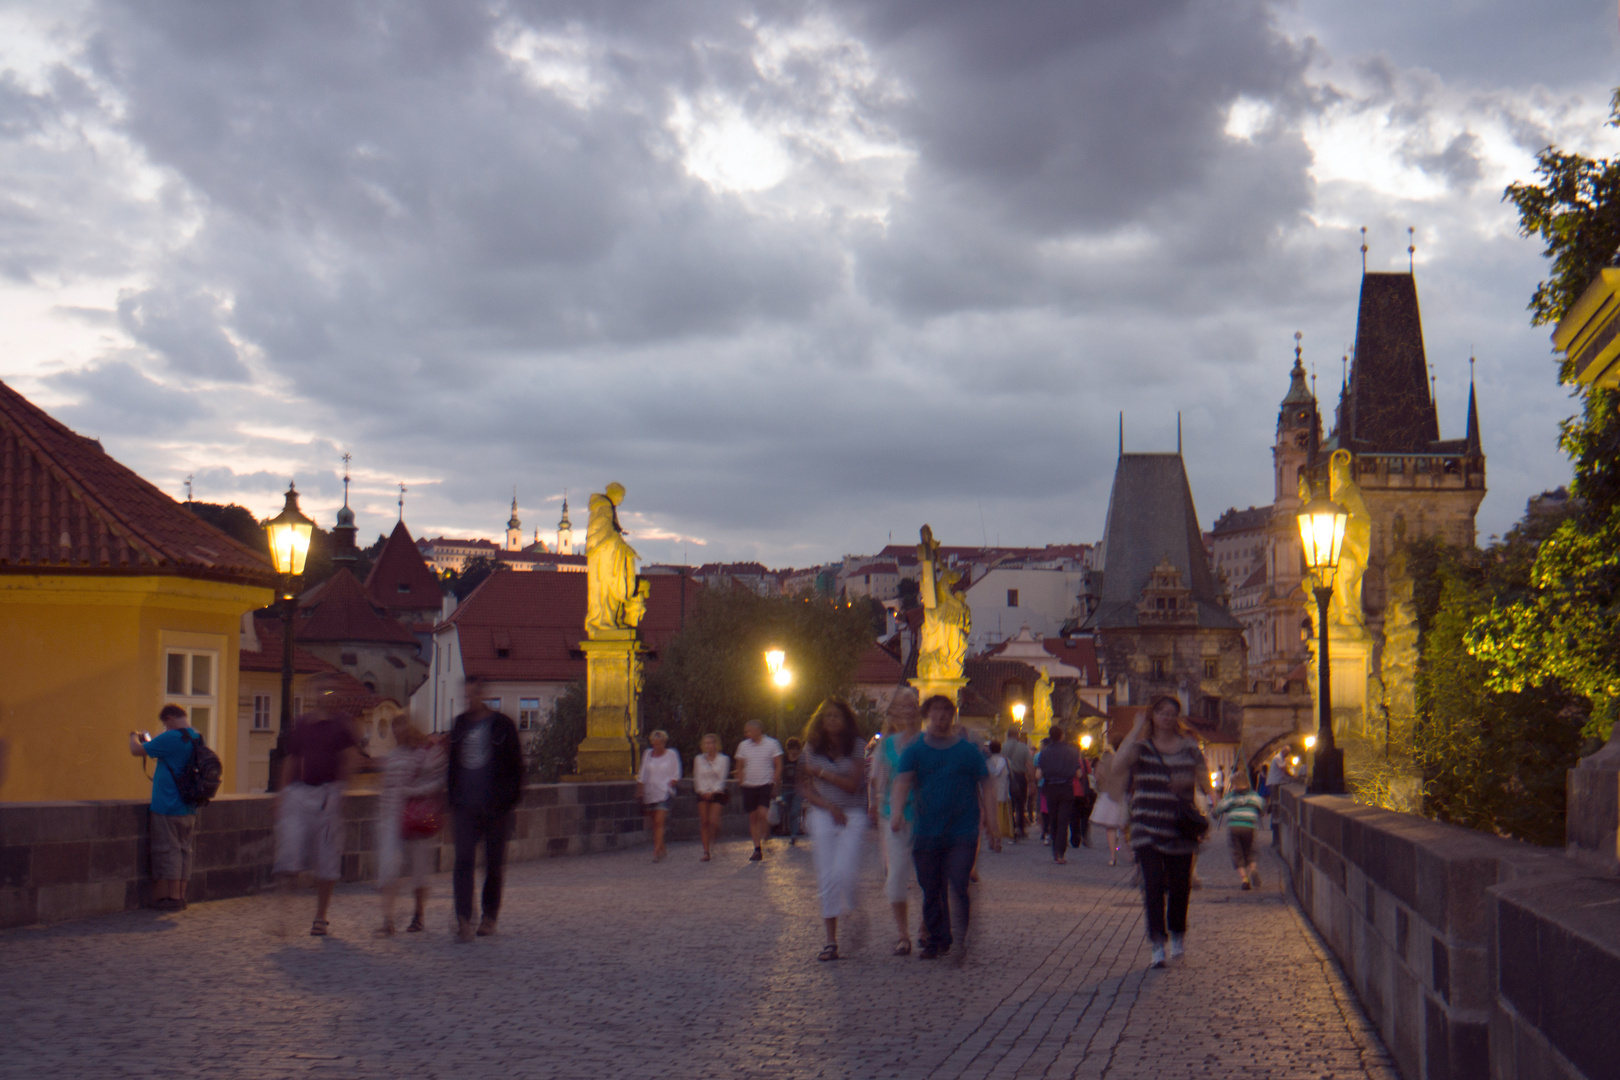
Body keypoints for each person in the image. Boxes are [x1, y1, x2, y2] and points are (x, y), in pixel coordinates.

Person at [890, 695, 998, 962]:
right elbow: (902, 782)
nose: (940, 717)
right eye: (935, 711)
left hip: (962, 829)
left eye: (946, 711)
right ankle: (938, 939)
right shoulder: (916, 750)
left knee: (959, 881)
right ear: (927, 715)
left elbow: (987, 784)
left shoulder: (967, 751)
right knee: (931, 887)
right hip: (927, 829)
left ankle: (961, 937)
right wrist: (896, 813)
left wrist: (993, 826)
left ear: (953, 715)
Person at [1115, 695, 1211, 968]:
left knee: (1181, 886)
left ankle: (1177, 933)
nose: (1167, 718)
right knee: (1153, 885)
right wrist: (1134, 729)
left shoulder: (1189, 747)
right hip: (1146, 826)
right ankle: (1157, 942)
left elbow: (1205, 780)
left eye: (1172, 713)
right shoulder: (1142, 747)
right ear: (1152, 716)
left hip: (1179, 828)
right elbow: (1118, 765)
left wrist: (1188, 779)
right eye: (1162, 713)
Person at [273, 674, 363, 936]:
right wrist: (281, 794)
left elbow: (349, 759)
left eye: (330, 690)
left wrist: (342, 793)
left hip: (328, 794)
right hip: (300, 792)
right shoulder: (302, 723)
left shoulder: (343, 724)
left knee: (327, 858)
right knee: (288, 854)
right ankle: (283, 914)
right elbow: (291, 759)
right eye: (321, 690)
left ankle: (320, 917)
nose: (326, 695)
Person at [447, 679, 524, 942]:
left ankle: (489, 917)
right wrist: (451, 799)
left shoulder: (502, 725)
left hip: (495, 807)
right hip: (464, 806)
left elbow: (517, 766)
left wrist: (508, 800)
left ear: (483, 694)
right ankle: (463, 919)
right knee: (463, 861)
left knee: (493, 864)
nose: (469, 699)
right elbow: (452, 765)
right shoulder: (459, 725)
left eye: (473, 694)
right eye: (466, 695)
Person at [799, 699, 868, 961]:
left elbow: (853, 785)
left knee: (845, 872)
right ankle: (830, 940)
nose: (831, 720)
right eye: (827, 716)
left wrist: (822, 773)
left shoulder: (857, 746)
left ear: (846, 720)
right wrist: (829, 806)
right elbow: (805, 787)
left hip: (852, 813)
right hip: (823, 814)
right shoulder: (811, 748)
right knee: (827, 876)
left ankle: (852, 908)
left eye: (837, 716)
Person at [376, 713, 446, 936]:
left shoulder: (424, 752)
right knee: (388, 869)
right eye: (395, 728)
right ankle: (388, 920)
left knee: (419, 869)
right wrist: (383, 814)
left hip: (416, 816)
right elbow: (387, 788)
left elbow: (439, 780)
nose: (398, 732)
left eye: (401, 726)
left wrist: (413, 792)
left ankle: (418, 915)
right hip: (392, 818)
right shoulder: (393, 755)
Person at [127, 704, 202, 911]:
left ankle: (172, 897)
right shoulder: (196, 736)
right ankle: (182, 895)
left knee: (170, 851)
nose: (165, 727)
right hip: (189, 805)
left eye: (165, 723)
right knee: (185, 850)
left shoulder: (170, 737)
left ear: (169, 718)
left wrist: (134, 736)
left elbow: (136, 750)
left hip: (168, 805)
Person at [869, 688, 921, 956]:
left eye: (912, 705)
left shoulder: (927, 740)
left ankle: (926, 926)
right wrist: (876, 808)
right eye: (902, 706)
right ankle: (903, 933)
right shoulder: (887, 745)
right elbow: (878, 780)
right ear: (895, 711)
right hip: (894, 817)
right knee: (897, 875)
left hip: (925, 816)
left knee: (928, 877)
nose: (907, 710)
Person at [733, 720, 783, 862]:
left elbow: (778, 764)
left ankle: (766, 833)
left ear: (758, 730)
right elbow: (740, 764)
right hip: (749, 785)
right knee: (753, 817)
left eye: (749, 730)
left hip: (765, 783)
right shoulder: (743, 746)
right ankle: (757, 849)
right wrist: (740, 779)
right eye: (746, 731)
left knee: (763, 812)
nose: (747, 734)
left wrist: (775, 781)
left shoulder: (772, 744)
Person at [1212, 770, 1266, 890]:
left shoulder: (1231, 796)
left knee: (1237, 852)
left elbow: (1220, 808)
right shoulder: (1253, 795)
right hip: (1250, 826)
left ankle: (1244, 879)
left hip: (1234, 826)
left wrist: (1214, 813)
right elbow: (1262, 805)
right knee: (1250, 849)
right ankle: (1253, 868)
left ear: (1234, 784)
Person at [1035, 726, 1080, 864]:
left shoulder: (1044, 753)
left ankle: (1055, 850)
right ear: (1062, 736)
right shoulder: (1072, 752)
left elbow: (1038, 775)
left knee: (1053, 819)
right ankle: (1061, 852)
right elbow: (1078, 774)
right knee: (1063, 821)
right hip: (1066, 787)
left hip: (1051, 788)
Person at [637, 730, 681, 862]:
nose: (656, 746)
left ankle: (656, 851)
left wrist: (672, 783)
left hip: (664, 792)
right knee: (653, 824)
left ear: (664, 742)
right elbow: (642, 773)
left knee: (659, 821)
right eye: (654, 744)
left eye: (659, 743)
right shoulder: (648, 754)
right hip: (650, 792)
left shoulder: (671, 754)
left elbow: (676, 772)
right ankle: (662, 847)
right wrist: (640, 788)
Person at [692, 733, 730, 862]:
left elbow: (722, 777)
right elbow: (698, 776)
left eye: (711, 743)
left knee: (713, 820)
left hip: (717, 792)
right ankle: (706, 851)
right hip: (702, 791)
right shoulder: (699, 759)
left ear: (716, 745)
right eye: (706, 743)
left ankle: (717, 838)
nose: (708, 746)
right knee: (704, 822)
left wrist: (713, 792)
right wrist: (702, 791)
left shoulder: (723, 759)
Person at [1090, 745, 1129, 866]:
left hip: (1107, 796)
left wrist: (1100, 786)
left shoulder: (1101, 763)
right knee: (1123, 826)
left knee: (1110, 828)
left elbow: (1097, 777)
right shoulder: (1120, 761)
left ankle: (1113, 856)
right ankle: (1129, 852)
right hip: (1119, 795)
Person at [1002, 730, 1032, 840]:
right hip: (1020, 777)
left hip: (1006, 778)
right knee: (1020, 803)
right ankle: (1020, 828)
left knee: (1009, 804)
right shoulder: (1023, 747)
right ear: (1017, 735)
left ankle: (1010, 828)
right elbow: (1029, 764)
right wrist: (1031, 780)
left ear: (1008, 735)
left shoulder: (1002, 747)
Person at [778, 737, 805, 845]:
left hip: (798, 790)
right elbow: (779, 773)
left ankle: (794, 834)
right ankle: (792, 833)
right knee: (788, 811)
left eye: (795, 749)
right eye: (791, 749)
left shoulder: (801, 760)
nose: (793, 751)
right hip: (786, 789)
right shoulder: (784, 759)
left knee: (795, 811)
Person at [986, 741, 1013, 840]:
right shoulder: (1004, 760)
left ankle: (995, 832)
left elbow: (995, 773)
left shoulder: (989, 760)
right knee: (1001, 811)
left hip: (995, 789)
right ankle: (1001, 831)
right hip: (1002, 788)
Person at [1070, 750, 1095, 849]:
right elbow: (1089, 774)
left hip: (1072, 791)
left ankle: (1075, 838)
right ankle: (1084, 835)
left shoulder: (1068, 761)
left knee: (1073, 817)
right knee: (1085, 816)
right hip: (1084, 792)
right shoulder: (1085, 761)